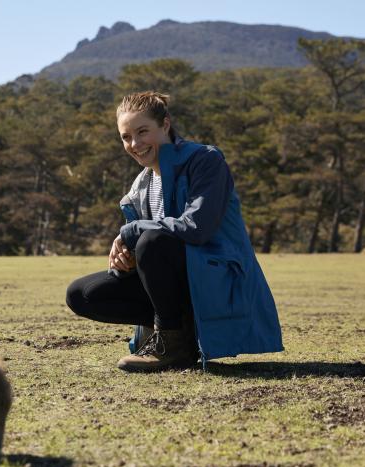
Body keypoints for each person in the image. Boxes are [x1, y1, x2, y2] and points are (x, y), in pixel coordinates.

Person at [66, 91, 283, 372]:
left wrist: (132, 233)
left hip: (216, 280)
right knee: (81, 294)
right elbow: (153, 250)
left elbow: (196, 228)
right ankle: (181, 330)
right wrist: (128, 260)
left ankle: (172, 344)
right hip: (177, 285)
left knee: (152, 241)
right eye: (126, 137)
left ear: (165, 125)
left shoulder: (205, 160)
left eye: (143, 132)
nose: (135, 144)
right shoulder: (140, 186)